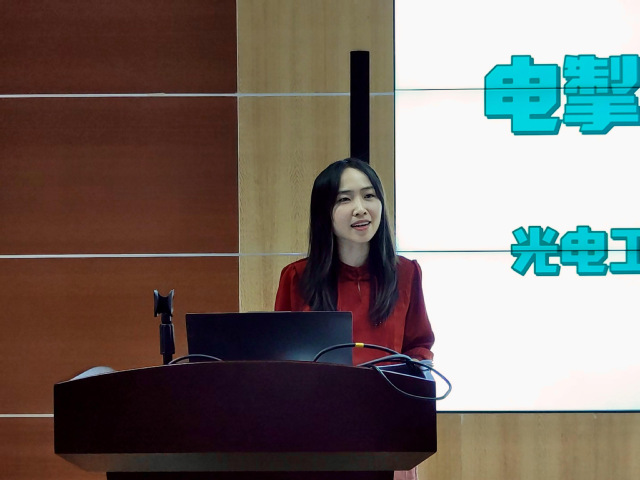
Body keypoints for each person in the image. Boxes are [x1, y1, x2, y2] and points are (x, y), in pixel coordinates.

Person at [274, 157, 434, 366]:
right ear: (324, 212)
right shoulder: (297, 276)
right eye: (344, 199)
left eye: (369, 196)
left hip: (388, 386)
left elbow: (418, 346)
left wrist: (415, 364)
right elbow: (281, 353)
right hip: (321, 388)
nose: (360, 209)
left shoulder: (406, 272)